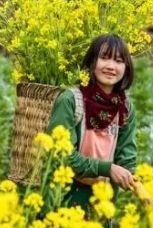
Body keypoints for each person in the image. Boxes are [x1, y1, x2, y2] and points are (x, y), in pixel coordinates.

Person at [45, 33, 139, 209]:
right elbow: (61, 155)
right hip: (63, 198)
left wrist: (137, 184)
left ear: (126, 67)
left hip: (102, 204)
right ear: (91, 62)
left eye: (119, 61)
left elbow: (127, 156)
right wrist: (107, 169)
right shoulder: (71, 100)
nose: (111, 66)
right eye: (104, 58)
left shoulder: (125, 107)